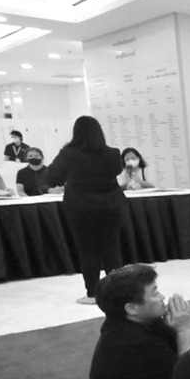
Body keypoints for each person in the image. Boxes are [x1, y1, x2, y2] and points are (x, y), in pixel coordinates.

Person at [47, 116, 127, 305]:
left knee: (88, 250)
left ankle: (92, 293)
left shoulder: (68, 154)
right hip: (111, 206)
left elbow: (52, 177)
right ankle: (118, 291)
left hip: (80, 208)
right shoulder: (113, 153)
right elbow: (117, 170)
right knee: (112, 249)